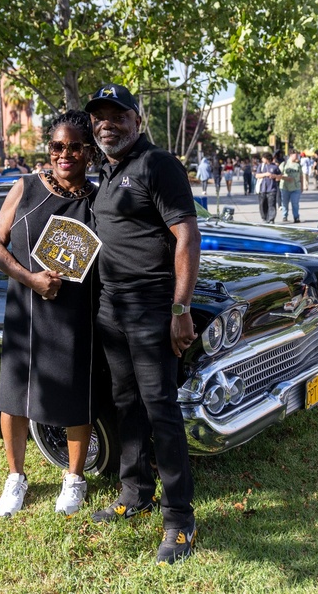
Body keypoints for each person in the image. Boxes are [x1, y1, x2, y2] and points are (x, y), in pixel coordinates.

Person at [84, 83, 200, 565]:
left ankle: (180, 520)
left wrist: (180, 308)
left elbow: (187, 236)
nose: (106, 122)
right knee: (126, 403)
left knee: (160, 411)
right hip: (112, 308)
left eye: (117, 115)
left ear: (138, 120)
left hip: (153, 309)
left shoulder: (158, 165)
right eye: (100, 116)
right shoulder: (107, 172)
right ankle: (135, 492)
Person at [0, 110, 102, 517]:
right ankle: (15, 477)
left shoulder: (98, 198)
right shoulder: (26, 187)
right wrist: (30, 278)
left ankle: (74, 478)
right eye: (57, 146)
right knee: (13, 397)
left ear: (88, 152)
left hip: (74, 313)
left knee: (74, 397)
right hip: (25, 310)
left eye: (74, 147)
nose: (64, 154)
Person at [255, 152, 282, 223]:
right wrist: (265, 174)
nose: (262, 159)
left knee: (272, 204)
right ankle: (264, 218)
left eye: (263, 158)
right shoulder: (261, 166)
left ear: (266, 158)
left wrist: (274, 176)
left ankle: (271, 218)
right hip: (262, 189)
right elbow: (257, 175)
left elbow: (279, 176)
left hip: (272, 188)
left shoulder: (275, 167)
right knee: (263, 204)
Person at [279, 151, 304, 223]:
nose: (296, 157)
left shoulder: (298, 165)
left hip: (296, 187)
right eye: (295, 156)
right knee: (285, 203)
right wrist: (286, 178)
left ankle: (296, 217)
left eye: (297, 156)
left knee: (295, 203)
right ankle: (284, 216)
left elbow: (301, 176)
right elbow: (278, 175)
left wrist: (302, 186)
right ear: (290, 155)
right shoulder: (284, 164)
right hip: (285, 187)